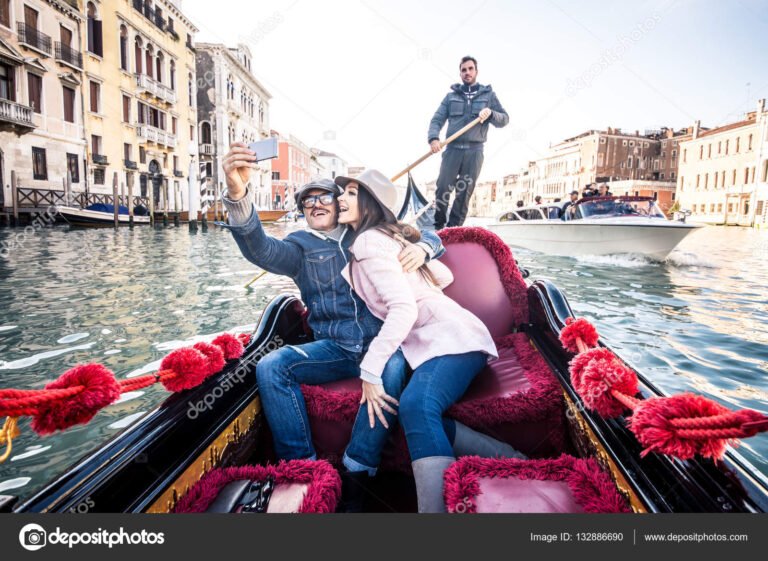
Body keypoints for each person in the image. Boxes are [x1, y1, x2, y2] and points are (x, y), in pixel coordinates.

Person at [219, 143, 446, 511]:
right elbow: (259, 248)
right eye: (306, 202)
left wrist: (424, 250)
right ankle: (303, 470)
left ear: (338, 202)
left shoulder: (367, 231)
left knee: (390, 372)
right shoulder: (299, 247)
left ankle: (357, 472)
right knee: (271, 366)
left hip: (385, 344)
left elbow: (430, 234)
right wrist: (237, 192)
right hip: (336, 349)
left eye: (322, 196)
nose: (315, 205)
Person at [335, 169, 525, 513]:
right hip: (453, 337)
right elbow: (444, 276)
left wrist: (370, 370)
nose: (339, 199)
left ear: (370, 203)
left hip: (451, 339)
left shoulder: (367, 242)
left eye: (350, 192)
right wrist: (421, 252)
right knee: (417, 411)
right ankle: (511, 459)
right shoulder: (386, 238)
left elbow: (403, 308)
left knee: (416, 406)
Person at [428, 56, 509, 230]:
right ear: (460, 73)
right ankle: (438, 228)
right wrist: (434, 138)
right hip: (452, 150)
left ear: (476, 72)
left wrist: (492, 113)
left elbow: (504, 120)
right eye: (464, 70)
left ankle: (453, 230)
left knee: (463, 194)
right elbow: (437, 119)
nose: (467, 72)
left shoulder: (489, 96)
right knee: (442, 188)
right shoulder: (450, 97)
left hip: (475, 151)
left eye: (470, 69)